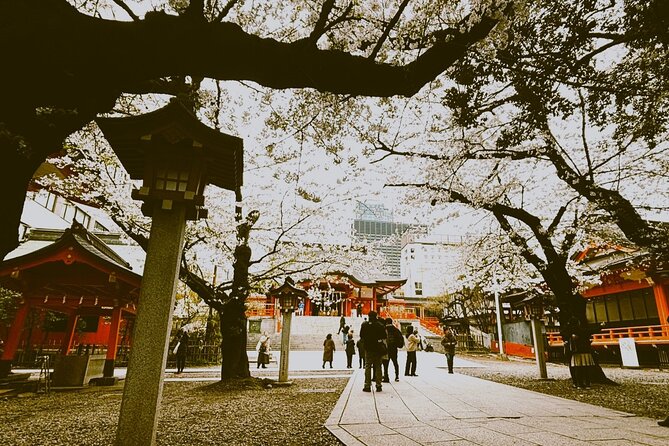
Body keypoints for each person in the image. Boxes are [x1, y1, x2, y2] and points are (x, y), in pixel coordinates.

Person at [360, 310, 387, 392]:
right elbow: (384, 336)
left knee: (368, 366)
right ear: (376, 316)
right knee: (378, 366)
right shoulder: (380, 325)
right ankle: (378, 385)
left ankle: (367, 385)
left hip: (368, 348)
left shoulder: (364, 325)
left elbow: (361, 336)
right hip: (378, 348)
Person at [383, 317, 403, 382]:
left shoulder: (384, 329)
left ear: (386, 322)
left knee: (386, 363)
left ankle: (386, 376)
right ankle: (397, 376)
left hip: (386, 348)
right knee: (395, 362)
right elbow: (400, 337)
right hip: (394, 348)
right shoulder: (395, 329)